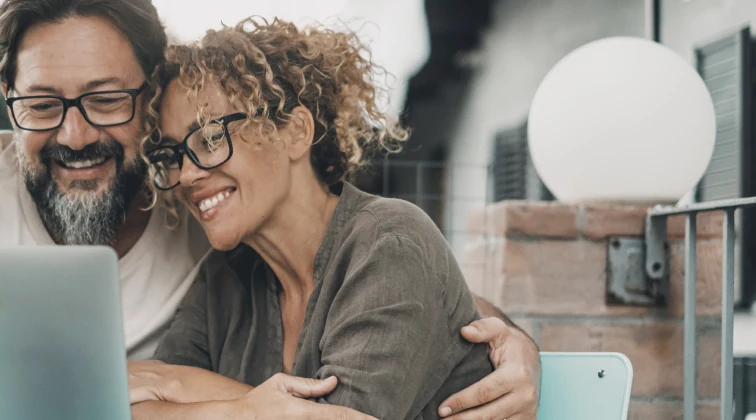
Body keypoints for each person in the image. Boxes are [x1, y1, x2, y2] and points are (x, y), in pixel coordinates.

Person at [0, 0, 540, 418]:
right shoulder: (228, 260)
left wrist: (518, 342)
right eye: (43, 104)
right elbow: (125, 401)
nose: (75, 135)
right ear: (7, 97)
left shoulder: (220, 223)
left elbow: (412, 286)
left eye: (105, 100)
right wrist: (247, 409)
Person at [129, 17, 493, 420]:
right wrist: (241, 407)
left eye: (211, 137)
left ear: (296, 132)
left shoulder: (389, 241)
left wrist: (178, 384)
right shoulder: (224, 278)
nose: (186, 175)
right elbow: (130, 404)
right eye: (173, 155)